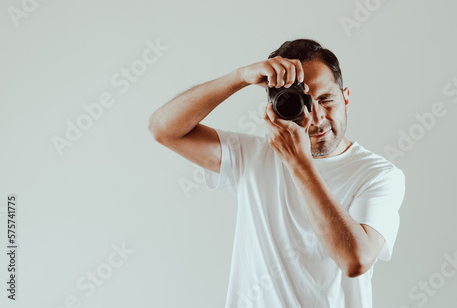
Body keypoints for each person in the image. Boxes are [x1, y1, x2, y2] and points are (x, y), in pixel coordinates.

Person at [148, 38, 406, 308]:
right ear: (280, 107)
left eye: (327, 100)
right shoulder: (252, 156)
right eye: (303, 104)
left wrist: (299, 163)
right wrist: (239, 77)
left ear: (347, 99)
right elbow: (162, 128)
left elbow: (355, 260)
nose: (317, 118)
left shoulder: (378, 175)